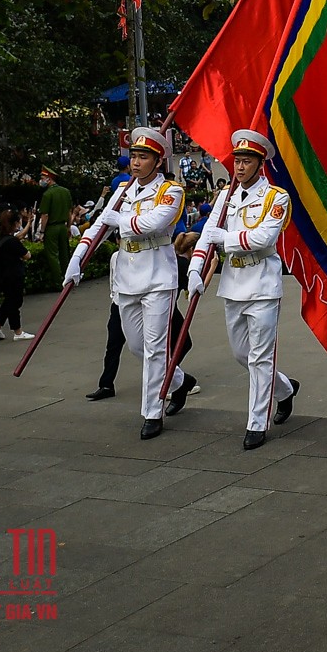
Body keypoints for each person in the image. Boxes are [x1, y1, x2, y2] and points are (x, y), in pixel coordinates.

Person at [64, 127, 192, 440]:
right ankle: (179, 381)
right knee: (137, 346)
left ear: (157, 161)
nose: (135, 162)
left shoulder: (170, 192)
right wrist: (78, 257)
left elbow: (149, 225)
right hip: (126, 276)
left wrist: (116, 219)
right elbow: (97, 228)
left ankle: (152, 412)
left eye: (143, 157)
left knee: (155, 350)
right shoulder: (123, 191)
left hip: (158, 276)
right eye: (133, 156)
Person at [187, 129, 300, 450]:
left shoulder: (276, 198)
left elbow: (263, 239)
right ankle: (285, 390)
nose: (239, 167)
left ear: (260, 164)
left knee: (261, 358)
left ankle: (256, 423)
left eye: (246, 161)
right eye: (236, 160)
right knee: (242, 355)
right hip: (233, 284)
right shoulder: (225, 196)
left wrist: (226, 240)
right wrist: (195, 269)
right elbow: (208, 234)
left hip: (263, 283)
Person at [0, 208, 33, 342]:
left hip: (3, 276)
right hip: (14, 276)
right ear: (14, 223)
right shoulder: (12, 242)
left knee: (8, 301)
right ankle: (17, 331)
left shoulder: (0, 238)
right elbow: (27, 255)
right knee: (14, 303)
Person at [36, 168, 75, 266]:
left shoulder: (47, 194)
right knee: (65, 255)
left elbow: (45, 215)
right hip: (63, 227)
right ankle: (67, 279)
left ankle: (57, 281)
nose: (41, 181)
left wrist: (42, 232)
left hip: (51, 228)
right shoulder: (66, 191)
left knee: (52, 257)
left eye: (43, 178)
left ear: (49, 179)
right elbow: (69, 212)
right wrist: (68, 227)